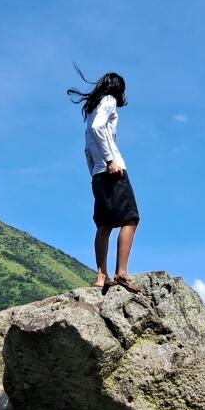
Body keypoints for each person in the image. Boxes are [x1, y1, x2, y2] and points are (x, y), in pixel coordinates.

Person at [66, 67, 143, 294]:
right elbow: (99, 127)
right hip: (113, 171)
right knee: (131, 218)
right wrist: (110, 161)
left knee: (105, 224)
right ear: (118, 89)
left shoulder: (91, 109)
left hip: (98, 175)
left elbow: (87, 147)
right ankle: (121, 274)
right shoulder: (108, 100)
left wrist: (95, 170)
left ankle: (101, 275)